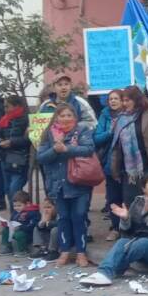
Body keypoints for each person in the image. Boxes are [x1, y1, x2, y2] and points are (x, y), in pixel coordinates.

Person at [80, 171, 148, 286]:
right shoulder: (138, 202)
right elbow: (127, 233)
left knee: (141, 243)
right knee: (122, 242)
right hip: (139, 247)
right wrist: (125, 219)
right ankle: (104, 273)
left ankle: (114, 269)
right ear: (144, 189)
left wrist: (147, 215)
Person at [36, 103, 96, 267]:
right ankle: (64, 252)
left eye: (69, 115)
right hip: (58, 184)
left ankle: (81, 253)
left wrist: (66, 149)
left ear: (75, 117)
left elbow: (88, 149)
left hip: (79, 182)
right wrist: (55, 149)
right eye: (62, 115)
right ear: (56, 117)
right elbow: (40, 157)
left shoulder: (82, 130)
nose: (66, 118)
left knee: (79, 217)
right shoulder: (49, 133)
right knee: (63, 218)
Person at [0, 95, 31, 200]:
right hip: (5, 158)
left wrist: (12, 142)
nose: (5, 109)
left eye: (7, 106)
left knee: (14, 190)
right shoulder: (4, 119)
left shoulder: (26, 120)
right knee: (8, 189)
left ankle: (17, 214)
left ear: (17, 106)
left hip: (20, 159)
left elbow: (28, 139)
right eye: (4, 106)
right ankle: (14, 215)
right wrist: (0, 142)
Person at [0, 191, 40, 257]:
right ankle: (8, 247)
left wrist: (20, 227)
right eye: (15, 206)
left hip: (27, 234)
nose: (16, 208)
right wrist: (7, 224)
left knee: (19, 234)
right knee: (5, 230)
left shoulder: (33, 213)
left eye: (19, 205)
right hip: (16, 230)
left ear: (27, 204)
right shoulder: (15, 212)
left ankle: (23, 250)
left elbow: (32, 226)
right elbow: (12, 221)